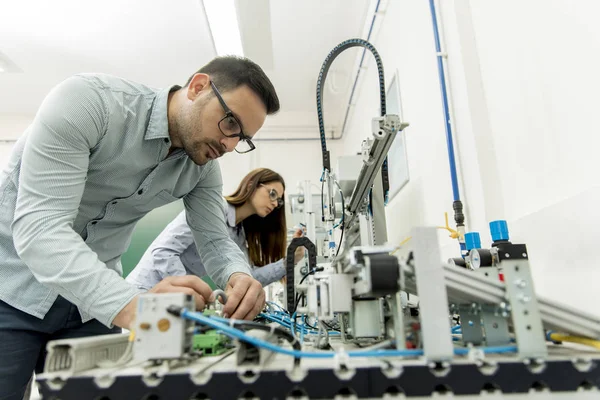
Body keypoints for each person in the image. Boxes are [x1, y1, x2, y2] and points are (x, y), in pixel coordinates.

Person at [0, 55, 279, 400]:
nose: (229, 144)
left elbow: (215, 241)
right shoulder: (89, 103)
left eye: (243, 139)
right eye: (230, 123)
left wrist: (239, 277)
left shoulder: (202, 168)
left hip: (89, 310)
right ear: (198, 87)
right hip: (10, 290)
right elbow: (40, 230)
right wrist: (139, 308)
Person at [127, 168, 305, 293]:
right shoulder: (212, 209)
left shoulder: (238, 234)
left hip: (172, 299)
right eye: (273, 194)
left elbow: (246, 279)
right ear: (252, 184)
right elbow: (163, 253)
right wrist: (191, 291)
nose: (275, 203)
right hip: (144, 293)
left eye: (279, 201)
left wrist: (289, 260)